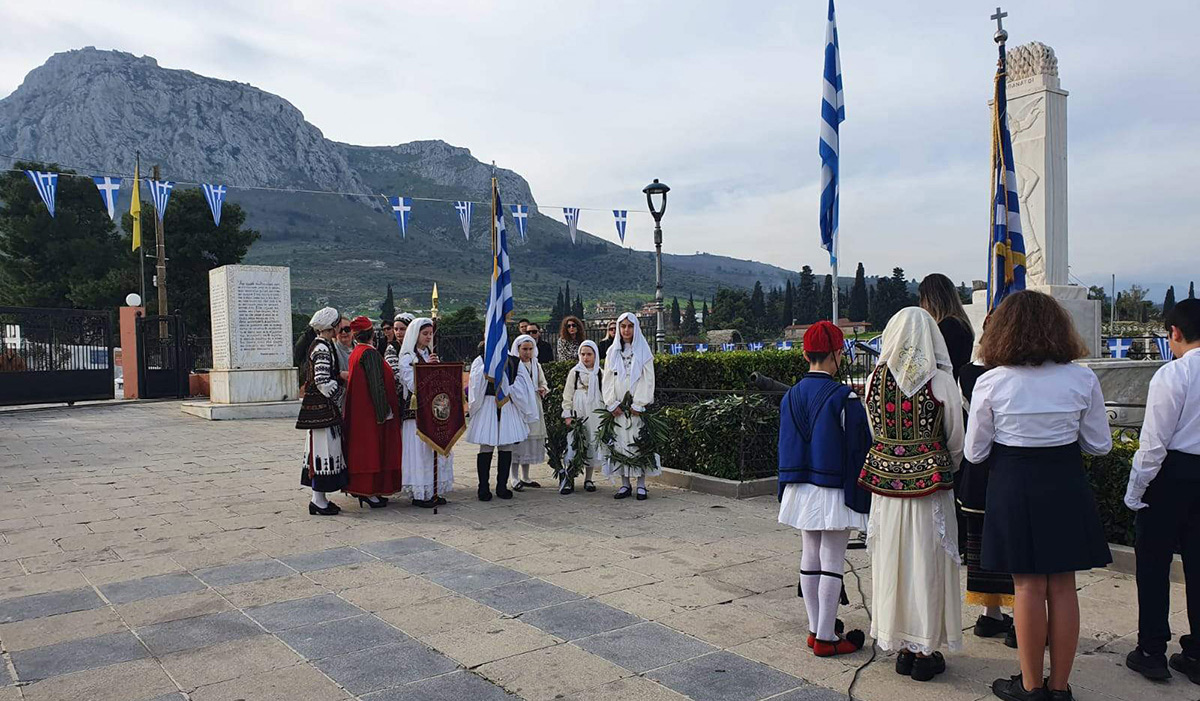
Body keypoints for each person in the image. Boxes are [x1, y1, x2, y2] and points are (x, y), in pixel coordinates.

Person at [964, 290, 1112, 701]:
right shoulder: (1082, 378)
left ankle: (1030, 687)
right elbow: (1099, 445)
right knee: (1063, 585)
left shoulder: (992, 382)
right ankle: (1060, 688)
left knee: (1027, 587)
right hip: (1064, 481)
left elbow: (975, 452)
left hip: (1013, 483)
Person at [859, 307, 964, 682]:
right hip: (930, 492)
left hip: (886, 489)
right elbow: (956, 440)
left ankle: (902, 645)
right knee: (927, 564)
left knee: (893, 561)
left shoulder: (873, 380)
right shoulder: (942, 383)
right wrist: (934, 459)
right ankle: (925, 649)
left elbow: (874, 430)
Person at [777, 321, 871, 657]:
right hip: (832, 487)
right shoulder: (844, 397)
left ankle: (816, 628)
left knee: (809, 554)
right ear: (837, 354)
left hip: (799, 486)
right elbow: (860, 447)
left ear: (805, 353)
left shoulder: (789, 395)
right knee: (832, 558)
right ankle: (827, 638)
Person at [1124, 298, 1200, 683]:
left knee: (1153, 565)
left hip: (1173, 473)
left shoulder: (1173, 374)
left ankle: (1151, 649)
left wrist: (1136, 490)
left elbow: (1153, 443)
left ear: (1175, 332)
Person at [957, 353, 1017, 649]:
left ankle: (989, 614)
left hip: (976, 473)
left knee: (981, 545)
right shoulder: (1010, 375)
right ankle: (1020, 621)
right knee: (1016, 547)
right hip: (1007, 470)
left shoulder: (967, 374)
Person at [341, 316, 403, 508]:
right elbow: (377, 385)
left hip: (360, 411)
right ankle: (369, 491)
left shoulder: (356, 353)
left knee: (363, 450)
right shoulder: (370, 354)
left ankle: (367, 491)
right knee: (373, 451)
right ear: (371, 334)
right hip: (372, 413)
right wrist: (384, 412)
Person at [296, 308, 349, 516]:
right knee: (322, 451)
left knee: (323, 451)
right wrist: (340, 397)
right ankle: (318, 500)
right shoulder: (322, 348)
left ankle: (320, 499)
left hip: (321, 410)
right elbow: (322, 382)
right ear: (331, 327)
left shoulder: (322, 345)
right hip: (322, 410)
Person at [397, 318, 455, 508]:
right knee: (420, 452)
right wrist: (428, 368)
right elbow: (413, 384)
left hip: (433, 410)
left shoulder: (429, 353)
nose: (429, 337)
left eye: (431, 334)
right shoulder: (407, 356)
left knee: (433, 451)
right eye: (425, 334)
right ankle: (420, 493)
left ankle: (434, 489)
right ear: (416, 334)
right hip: (415, 412)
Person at [602, 312, 659, 499]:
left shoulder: (643, 350)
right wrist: (611, 403)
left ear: (636, 328)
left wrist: (640, 403)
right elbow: (608, 379)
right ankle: (625, 484)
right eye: (623, 326)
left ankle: (641, 485)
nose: (626, 330)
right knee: (620, 444)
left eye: (630, 326)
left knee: (638, 443)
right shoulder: (612, 351)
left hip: (636, 408)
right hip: (619, 408)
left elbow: (648, 378)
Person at [466, 340, 529, 501]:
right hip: (487, 403)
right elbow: (474, 384)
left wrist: (509, 388)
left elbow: (522, 384)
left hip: (507, 404)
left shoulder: (514, 361)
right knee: (486, 446)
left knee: (506, 446)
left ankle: (502, 485)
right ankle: (483, 487)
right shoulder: (480, 360)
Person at [561, 340, 605, 494]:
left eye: (589, 354)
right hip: (578, 410)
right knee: (575, 443)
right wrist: (567, 414)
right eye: (583, 354)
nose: (586, 358)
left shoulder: (600, 372)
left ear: (595, 355)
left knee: (591, 442)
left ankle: (589, 478)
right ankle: (569, 478)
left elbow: (605, 393)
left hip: (594, 411)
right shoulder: (575, 372)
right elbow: (567, 394)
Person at [510, 334, 549, 490]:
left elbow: (543, 382)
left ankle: (525, 476)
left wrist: (543, 390)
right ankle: (514, 477)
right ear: (518, 349)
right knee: (517, 443)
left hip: (534, 405)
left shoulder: (536, 365)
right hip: (518, 407)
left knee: (529, 442)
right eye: (524, 349)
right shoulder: (513, 365)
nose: (527, 352)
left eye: (530, 349)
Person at [919, 273, 974, 381]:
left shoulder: (948, 326)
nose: (921, 304)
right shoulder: (961, 324)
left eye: (922, 299)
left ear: (932, 299)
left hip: (943, 388)